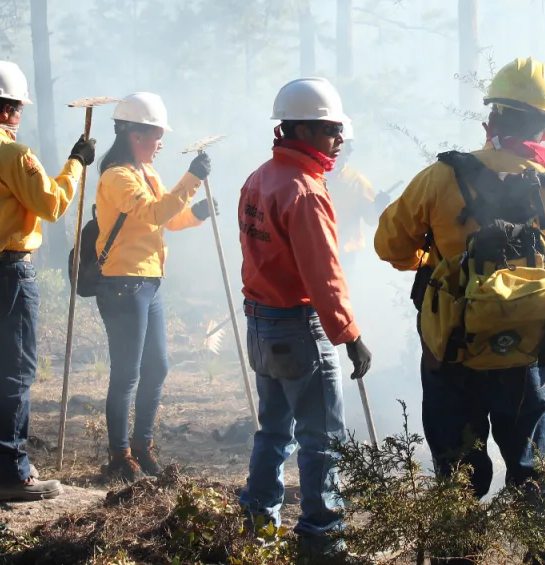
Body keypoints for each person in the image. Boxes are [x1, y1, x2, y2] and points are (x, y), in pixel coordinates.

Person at [375, 57, 545, 565]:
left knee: (458, 480)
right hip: (528, 359)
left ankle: (457, 555)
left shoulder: (439, 177)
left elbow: (390, 248)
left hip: (454, 355)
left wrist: (440, 255)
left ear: (490, 121)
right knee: (537, 479)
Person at [0, 60, 95, 501]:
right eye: (19, 109)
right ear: (10, 109)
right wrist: (76, 163)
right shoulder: (11, 153)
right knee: (15, 374)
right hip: (10, 274)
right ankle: (11, 471)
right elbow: (51, 204)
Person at [237, 77, 371, 558]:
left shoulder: (259, 178)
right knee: (322, 438)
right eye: (332, 130)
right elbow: (324, 274)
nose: (338, 139)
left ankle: (259, 521)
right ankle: (322, 536)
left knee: (274, 431)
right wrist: (350, 334)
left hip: (260, 323)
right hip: (297, 330)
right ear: (302, 130)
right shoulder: (307, 191)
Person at [92, 92, 215, 482]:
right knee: (127, 372)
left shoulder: (146, 173)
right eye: (157, 135)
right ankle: (119, 453)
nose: (161, 143)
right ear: (135, 135)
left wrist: (195, 214)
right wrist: (193, 178)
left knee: (157, 366)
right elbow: (154, 212)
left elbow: (166, 219)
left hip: (149, 282)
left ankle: (142, 445)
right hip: (123, 285)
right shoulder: (117, 177)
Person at [327, 120, 379, 268]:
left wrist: (378, 207)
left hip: (344, 255)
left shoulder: (357, 182)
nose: (350, 151)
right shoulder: (311, 176)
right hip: (312, 250)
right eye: (347, 145)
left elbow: (371, 219)